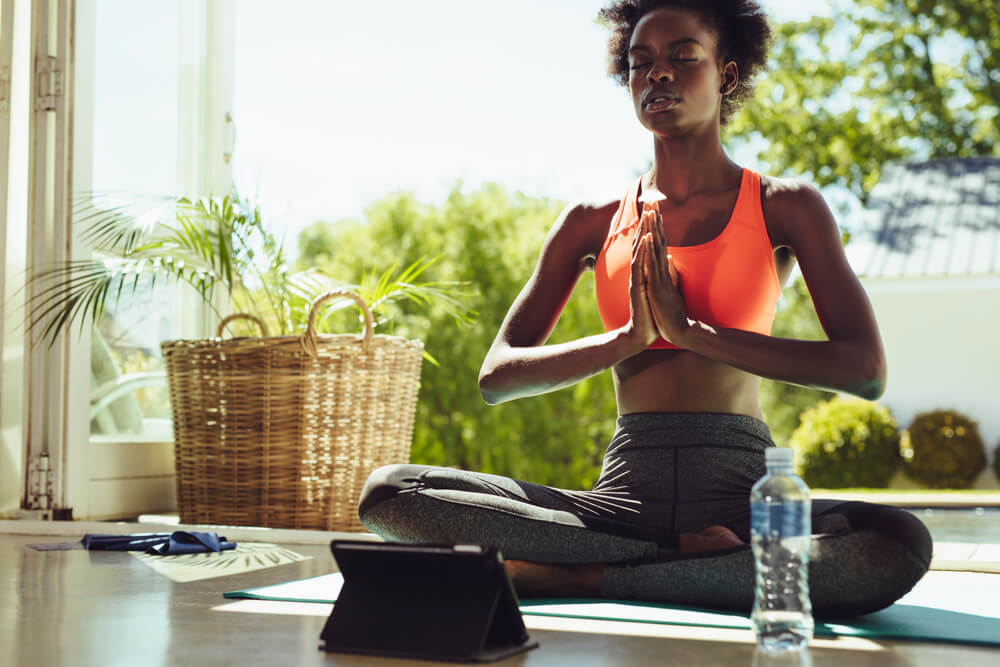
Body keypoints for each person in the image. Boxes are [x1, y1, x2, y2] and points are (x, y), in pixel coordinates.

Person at [358, 0, 931, 617]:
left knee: (896, 543)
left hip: (741, 489)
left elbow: (865, 370)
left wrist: (692, 333)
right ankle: (686, 559)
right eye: (640, 63)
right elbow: (497, 378)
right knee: (391, 495)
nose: (657, 75)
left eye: (683, 57)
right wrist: (629, 339)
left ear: (727, 75)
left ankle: (580, 577)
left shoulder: (786, 207)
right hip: (623, 498)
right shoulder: (590, 222)